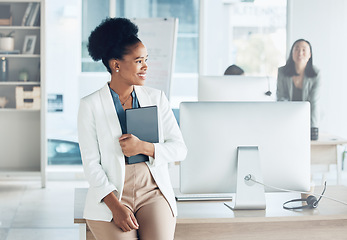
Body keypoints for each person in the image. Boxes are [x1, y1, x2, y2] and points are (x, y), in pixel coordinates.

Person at [78, 18, 187, 240]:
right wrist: (115, 207)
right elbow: (91, 165)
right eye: (139, 61)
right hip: (112, 195)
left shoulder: (156, 98)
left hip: (152, 193)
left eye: (146, 59)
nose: (146, 66)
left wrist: (144, 147)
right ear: (116, 65)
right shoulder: (90, 105)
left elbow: (179, 149)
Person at [276, 39, 321, 128]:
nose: (300, 53)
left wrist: (314, 127)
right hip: (287, 118)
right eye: (297, 49)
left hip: (308, 118)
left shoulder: (316, 74)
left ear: (309, 55)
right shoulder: (282, 72)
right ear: (292, 53)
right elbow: (281, 97)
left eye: (304, 50)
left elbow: (314, 102)